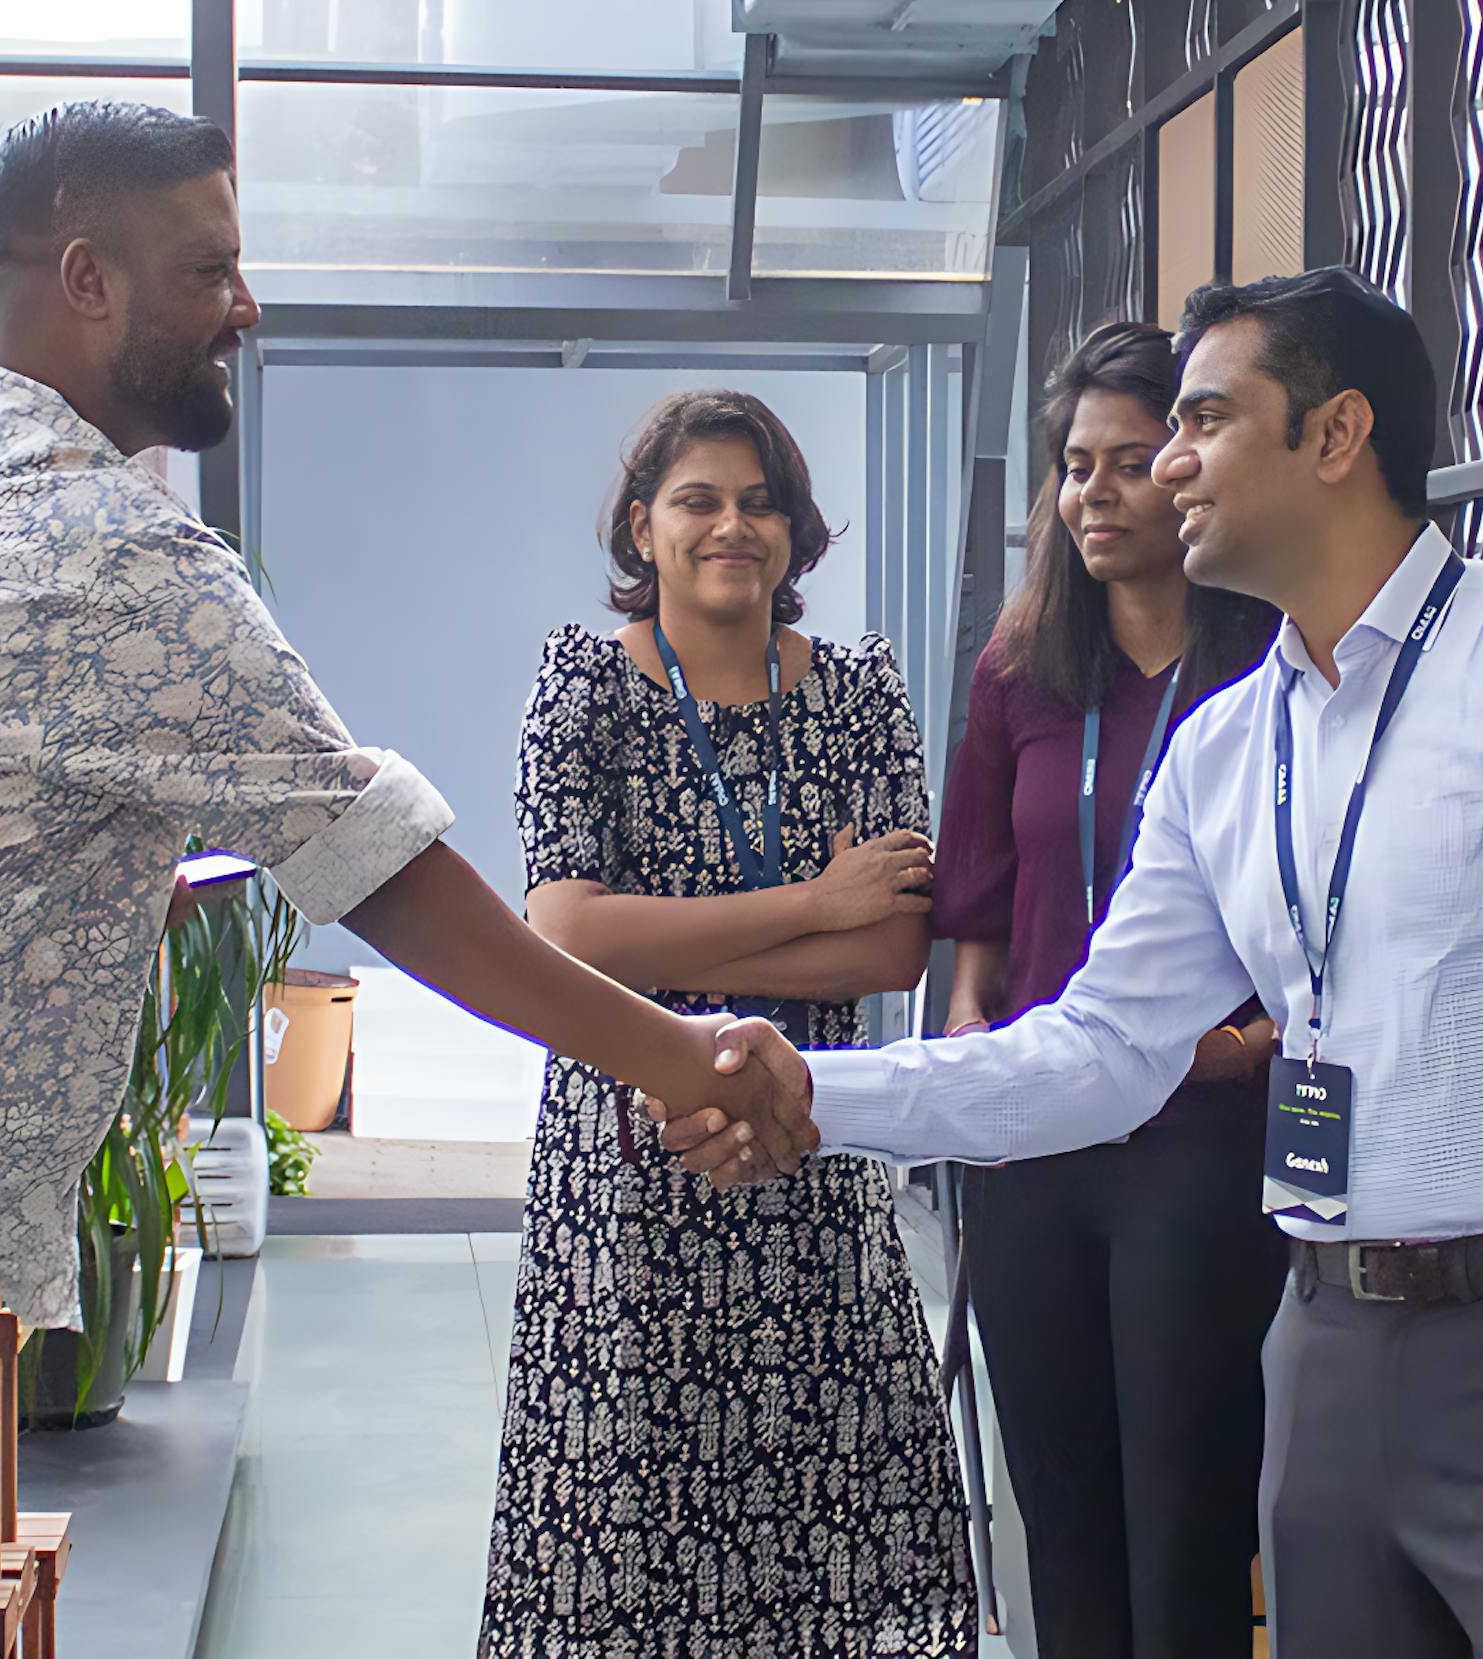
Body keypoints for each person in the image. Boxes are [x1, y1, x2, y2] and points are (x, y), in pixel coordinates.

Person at [0, 102, 790, 1659]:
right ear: (87, 278)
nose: (247, 302)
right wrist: (681, 1051)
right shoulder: (112, 548)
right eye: (211, 267)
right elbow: (380, 869)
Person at [663, 268, 1483, 1656]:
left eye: (1204, 419)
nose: (1170, 462)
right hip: (1319, 1337)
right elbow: (1098, 1050)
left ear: (1336, 436)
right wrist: (817, 1092)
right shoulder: (1225, 750)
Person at [479, 389, 972, 1655]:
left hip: (813, 1147)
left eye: (760, 503)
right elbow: (569, 934)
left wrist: (673, 926)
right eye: (697, 500)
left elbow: (897, 941)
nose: (730, 526)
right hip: (630, 1164)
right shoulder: (583, 684)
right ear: (643, 528)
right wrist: (810, 902)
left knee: (829, 1520)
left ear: (797, 535)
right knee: (627, 1524)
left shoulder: (862, 691)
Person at [933, 320, 1287, 1658]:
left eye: (1131, 461)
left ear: (1190, 470)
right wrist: (972, 1025)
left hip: (1205, 1140)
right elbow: (976, 901)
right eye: (1076, 466)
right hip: (1039, 1135)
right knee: (1062, 1506)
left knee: (1188, 1504)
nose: (1096, 492)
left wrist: (1252, 1037)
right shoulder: (1018, 671)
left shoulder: (1268, 668)